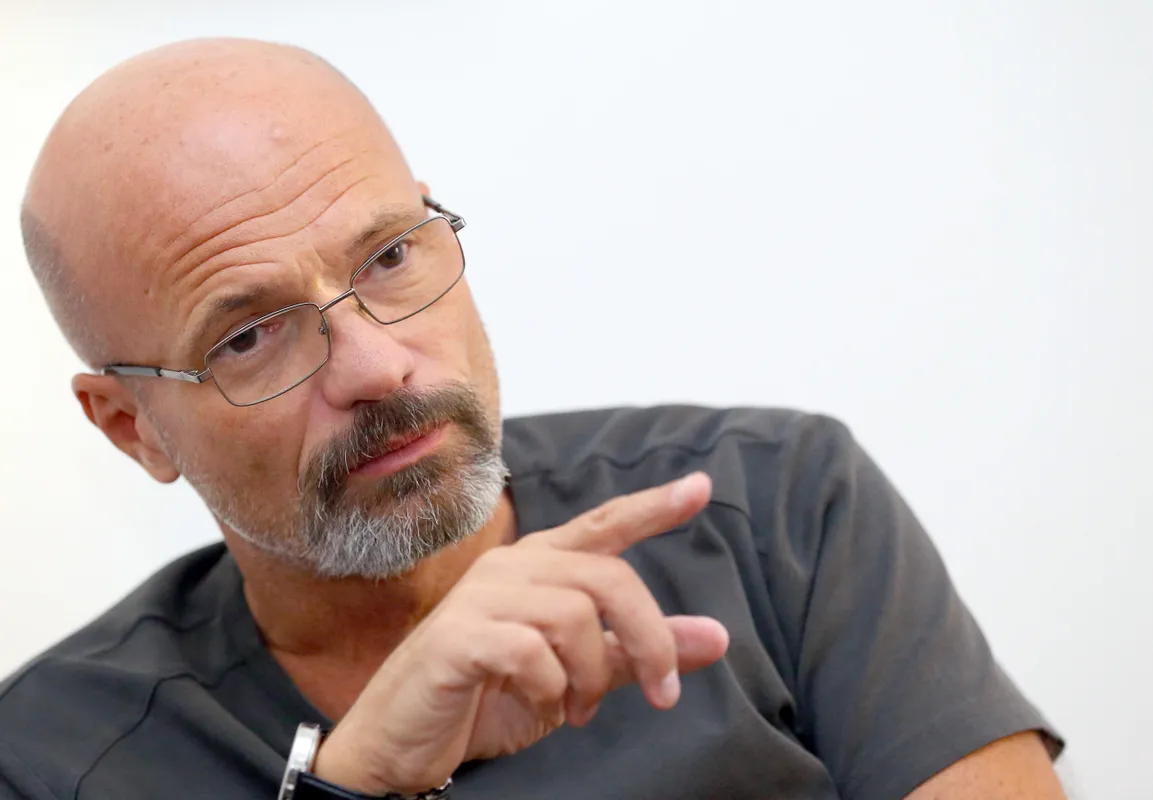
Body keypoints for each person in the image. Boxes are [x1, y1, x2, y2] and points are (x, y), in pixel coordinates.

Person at [1, 37, 1066, 800]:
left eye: (390, 255)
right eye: (248, 335)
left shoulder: (775, 507)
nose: (376, 364)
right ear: (131, 426)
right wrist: (358, 783)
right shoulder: (49, 757)